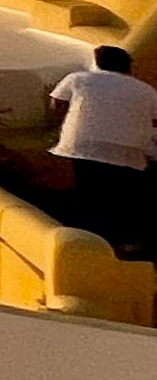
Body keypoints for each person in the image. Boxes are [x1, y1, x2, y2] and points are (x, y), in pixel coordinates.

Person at [51, 46, 157, 250]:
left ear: (98, 62)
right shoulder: (146, 90)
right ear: (128, 66)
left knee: (89, 192)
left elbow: (57, 103)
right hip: (128, 151)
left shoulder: (78, 79)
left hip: (84, 144)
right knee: (123, 196)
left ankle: (87, 242)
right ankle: (126, 242)